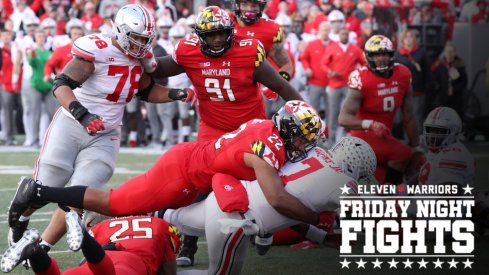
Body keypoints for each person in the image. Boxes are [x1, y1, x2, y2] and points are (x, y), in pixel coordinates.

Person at [8, 101, 326, 250]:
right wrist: (317, 220)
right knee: (115, 202)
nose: (303, 146)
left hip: (195, 170)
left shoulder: (265, 127)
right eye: (302, 138)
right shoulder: (268, 147)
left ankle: (91, 217)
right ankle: (39, 192)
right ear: (288, 130)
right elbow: (276, 198)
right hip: (184, 173)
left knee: (154, 212)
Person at [7, 3, 190, 253]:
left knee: (80, 194)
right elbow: (61, 85)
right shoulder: (98, 49)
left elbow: (145, 91)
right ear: (122, 32)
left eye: (146, 39)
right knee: (46, 184)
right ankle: (20, 220)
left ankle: (43, 246)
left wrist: (175, 94)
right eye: (137, 38)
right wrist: (82, 114)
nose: (142, 45)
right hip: (71, 125)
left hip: (107, 134)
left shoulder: (142, 59)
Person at [145, 6, 304, 264]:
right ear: (199, 35)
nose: (217, 40)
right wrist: (133, 54)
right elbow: (155, 69)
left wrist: (307, 113)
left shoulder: (248, 50)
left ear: (231, 31)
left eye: (222, 33)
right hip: (213, 126)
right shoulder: (188, 50)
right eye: (211, 35)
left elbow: (280, 85)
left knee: (267, 178)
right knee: (199, 182)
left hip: (251, 127)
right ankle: (189, 244)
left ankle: (267, 226)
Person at [164, 136, 377, 274]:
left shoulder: (312, 152)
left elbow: (290, 207)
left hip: (227, 196)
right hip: (235, 220)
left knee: (171, 217)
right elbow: (374, 213)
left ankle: (137, 225)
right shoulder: (341, 183)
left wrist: (319, 235)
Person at [338, 35, 420, 185]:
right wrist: (371, 124)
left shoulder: (403, 74)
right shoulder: (361, 77)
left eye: (384, 54)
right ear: (369, 56)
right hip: (364, 135)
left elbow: (408, 115)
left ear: (391, 56)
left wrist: (416, 144)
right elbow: (343, 119)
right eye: (376, 55)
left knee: (412, 163)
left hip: (385, 137)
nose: (381, 58)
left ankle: (390, 196)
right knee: (403, 154)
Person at [1, 209, 182, 275]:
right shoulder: (159, 226)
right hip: (128, 263)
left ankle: (36, 252)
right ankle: (37, 253)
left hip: (99, 259)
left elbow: (87, 262)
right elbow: (168, 271)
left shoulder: (104, 226)